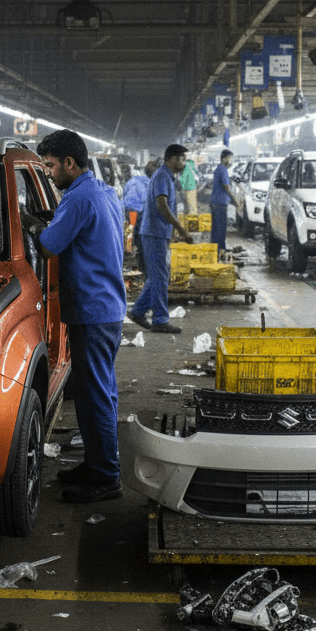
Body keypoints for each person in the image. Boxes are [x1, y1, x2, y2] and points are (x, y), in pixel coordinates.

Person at [21, 129, 126, 504]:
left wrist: (30, 223)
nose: (48, 173)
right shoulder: (102, 191)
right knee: (96, 392)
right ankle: (96, 464)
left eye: (50, 165)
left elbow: (48, 246)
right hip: (106, 307)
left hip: (93, 312)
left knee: (95, 395)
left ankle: (105, 479)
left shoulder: (78, 198)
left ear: (69, 163)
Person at [130, 143, 192, 334]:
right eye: (182, 159)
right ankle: (160, 320)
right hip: (154, 233)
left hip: (159, 233)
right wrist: (181, 230)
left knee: (157, 277)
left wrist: (172, 232)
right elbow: (162, 206)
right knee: (160, 277)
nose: (184, 162)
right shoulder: (163, 176)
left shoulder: (167, 177)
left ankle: (139, 311)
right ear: (172, 159)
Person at [121, 161, 154, 269]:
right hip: (138, 212)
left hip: (129, 210)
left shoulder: (134, 180)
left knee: (131, 235)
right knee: (140, 238)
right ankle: (141, 262)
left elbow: (124, 195)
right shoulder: (151, 183)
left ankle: (130, 253)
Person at [210, 148, 237, 256]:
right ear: (225, 159)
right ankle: (219, 250)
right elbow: (226, 186)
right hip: (220, 203)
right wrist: (234, 199)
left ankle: (215, 249)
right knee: (220, 228)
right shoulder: (223, 170)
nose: (231, 161)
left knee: (216, 227)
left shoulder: (218, 169)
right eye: (230, 158)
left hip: (215, 201)